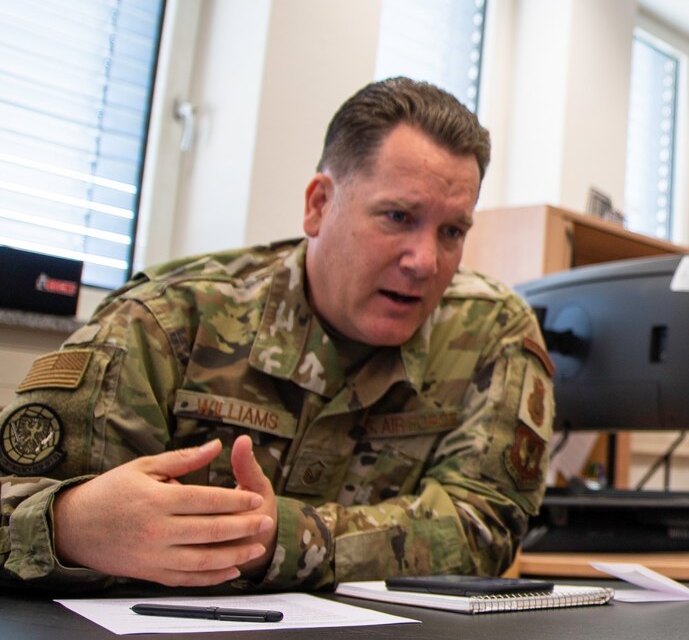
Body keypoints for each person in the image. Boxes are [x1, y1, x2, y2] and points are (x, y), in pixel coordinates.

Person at [0, 78, 555, 592]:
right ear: (319, 205)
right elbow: (10, 501)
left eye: (452, 231)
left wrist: (281, 538)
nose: (425, 261)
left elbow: (483, 525)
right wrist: (68, 527)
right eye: (397, 217)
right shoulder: (167, 322)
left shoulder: (491, 333)